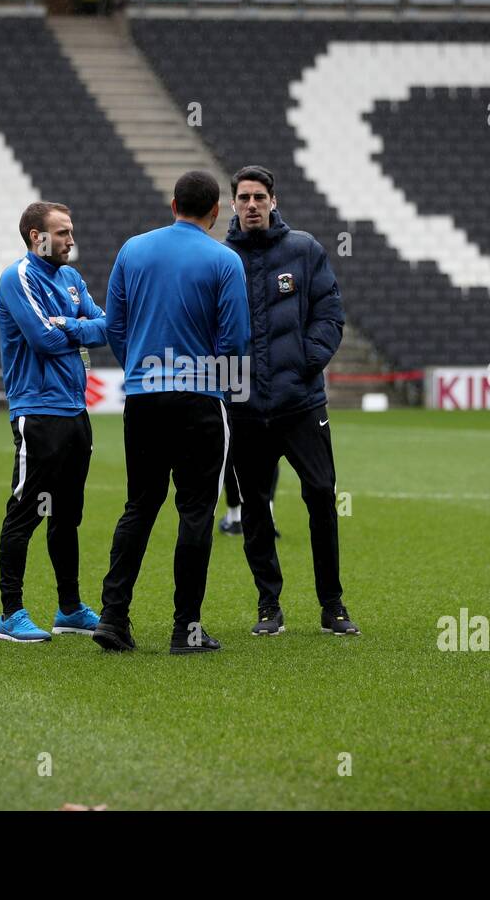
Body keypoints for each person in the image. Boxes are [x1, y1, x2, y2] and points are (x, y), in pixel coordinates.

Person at [92, 171, 250, 655]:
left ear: (173, 202)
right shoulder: (226, 260)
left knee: (139, 505)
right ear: (215, 211)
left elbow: (113, 326)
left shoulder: (132, 250)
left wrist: (140, 367)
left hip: (142, 396)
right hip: (200, 398)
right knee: (197, 511)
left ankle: (113, 618)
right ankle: (187, 629)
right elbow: (237, 338)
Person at [223, 165, 359, 637]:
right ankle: (269, 606)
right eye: (244, 198)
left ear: (274, 201)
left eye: (260, 197)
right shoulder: (221, 259)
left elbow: (329, 312)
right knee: (255, 507)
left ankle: (333, 605)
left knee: (321, 496)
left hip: (301, 404)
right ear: (233, 205)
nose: (253, 205)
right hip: (245, 408)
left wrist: (307, 360)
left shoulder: (304, 249)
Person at [0, 201, 108, 643]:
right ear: (35, 236)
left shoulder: (72, 278)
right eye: (61, 232)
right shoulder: (17, 277)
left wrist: (68, 324)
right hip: (38, 413)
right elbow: (41, 340)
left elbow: (109, 327)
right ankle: (11, 614)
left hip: (76, 413)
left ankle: (69, 608)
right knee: (25, 512)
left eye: (71, 230)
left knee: (67, 516)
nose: (71, 240)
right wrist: (76, 327)